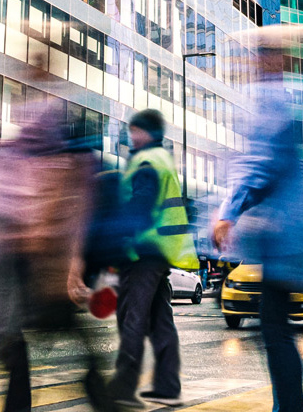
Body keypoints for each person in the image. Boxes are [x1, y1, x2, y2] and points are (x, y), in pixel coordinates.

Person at [0, 68, 103, 412]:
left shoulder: (57, 158)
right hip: (30, 259)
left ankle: (101, 393)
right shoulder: (36, 153)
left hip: (35, 260)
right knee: (34, 337)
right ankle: (101, 393)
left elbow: (70, 218)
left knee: (26, 337)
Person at [212, 27, 303, 412]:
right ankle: (289, 406)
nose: (254, 63)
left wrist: (230, 211)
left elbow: (261, 166)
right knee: (274, 330)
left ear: (274, 61)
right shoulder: (283, 101)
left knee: (274, 331)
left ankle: (289, 408)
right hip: (284, 241)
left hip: (281, 242)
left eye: (261, 56)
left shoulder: (273, 103)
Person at [108, 109, 197, 409]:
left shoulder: (147, 162)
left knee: (132, 317)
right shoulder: (162, 160)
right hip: (160, 253)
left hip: (143, 251)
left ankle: (123, 387)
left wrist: (117, 240)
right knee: (160, 320)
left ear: (147, 132)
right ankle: (168, 387)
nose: (131, 136)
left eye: (135, 131)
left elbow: (140, 209)